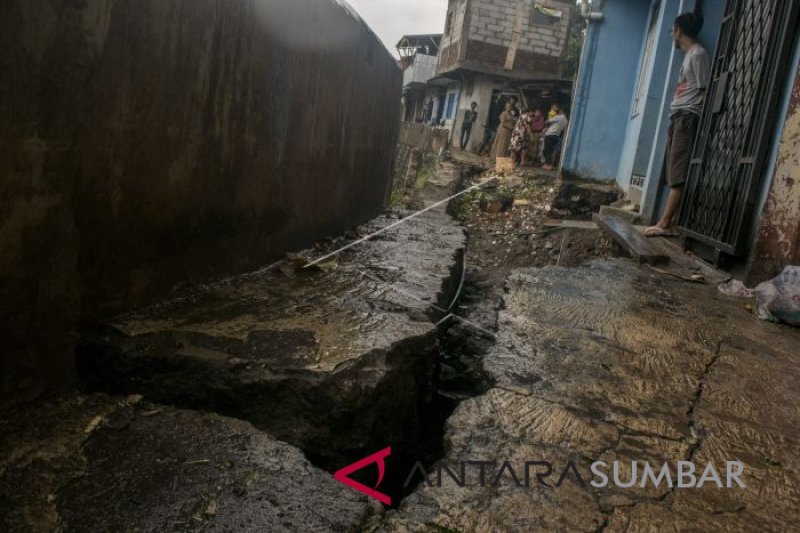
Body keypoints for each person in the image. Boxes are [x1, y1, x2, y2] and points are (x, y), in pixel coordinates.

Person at [644, 11, 710, 236]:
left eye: (672, 30)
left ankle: (664, 223)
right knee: (673, 171)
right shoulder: (690, 55)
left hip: (687, 118)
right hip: (679, 117)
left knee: (678, 172)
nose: (672, 34)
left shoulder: (698, 54)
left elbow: (704, 89)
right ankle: (669, 222)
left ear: (678, 31)